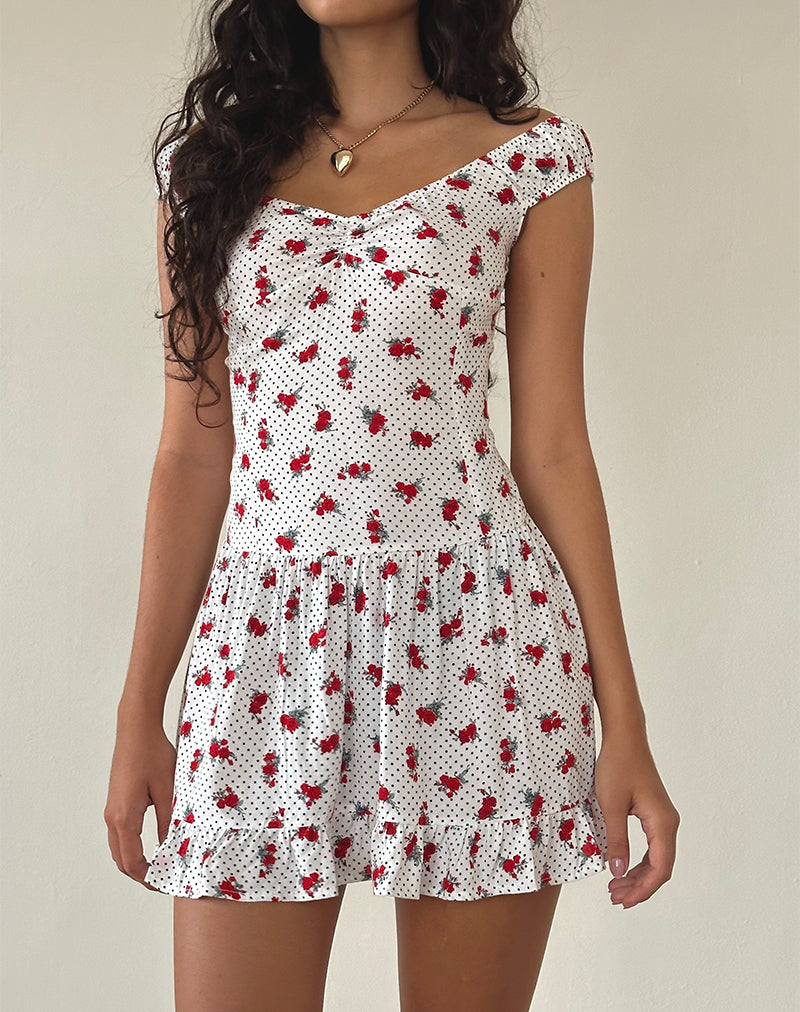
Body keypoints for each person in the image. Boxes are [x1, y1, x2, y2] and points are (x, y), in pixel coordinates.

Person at [105, 1, 680, 1008]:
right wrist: (137, 711)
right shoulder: (205, 171)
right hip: (265, 659)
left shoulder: (528, 162)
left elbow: (552, 450)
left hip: (480, 648)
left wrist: (623, 721)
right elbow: (192, 452)